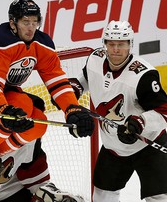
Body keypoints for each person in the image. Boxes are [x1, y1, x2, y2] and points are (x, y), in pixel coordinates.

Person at [0, 0, 95, 179]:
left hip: (3, 91)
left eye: (35, 22)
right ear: (13, 22)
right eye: (25, 22)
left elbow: (56, 80)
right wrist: (3, 111)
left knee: (38, 124)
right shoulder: (1, 41)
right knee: (23, 104)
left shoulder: (42, 44)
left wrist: (71, 108)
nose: (31, 27)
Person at [70, 20, 167, 202]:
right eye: (111, 44)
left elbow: (163, 111)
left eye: (121, 44)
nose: (115, 49)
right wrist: (74, 89)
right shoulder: (95, 59)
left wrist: (140, 123)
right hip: (114, 147)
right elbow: (85, 78)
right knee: (101, 196)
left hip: (147, 145)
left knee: (159, 198)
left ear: (130, 45)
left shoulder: (144, 75)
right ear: (104, 44)